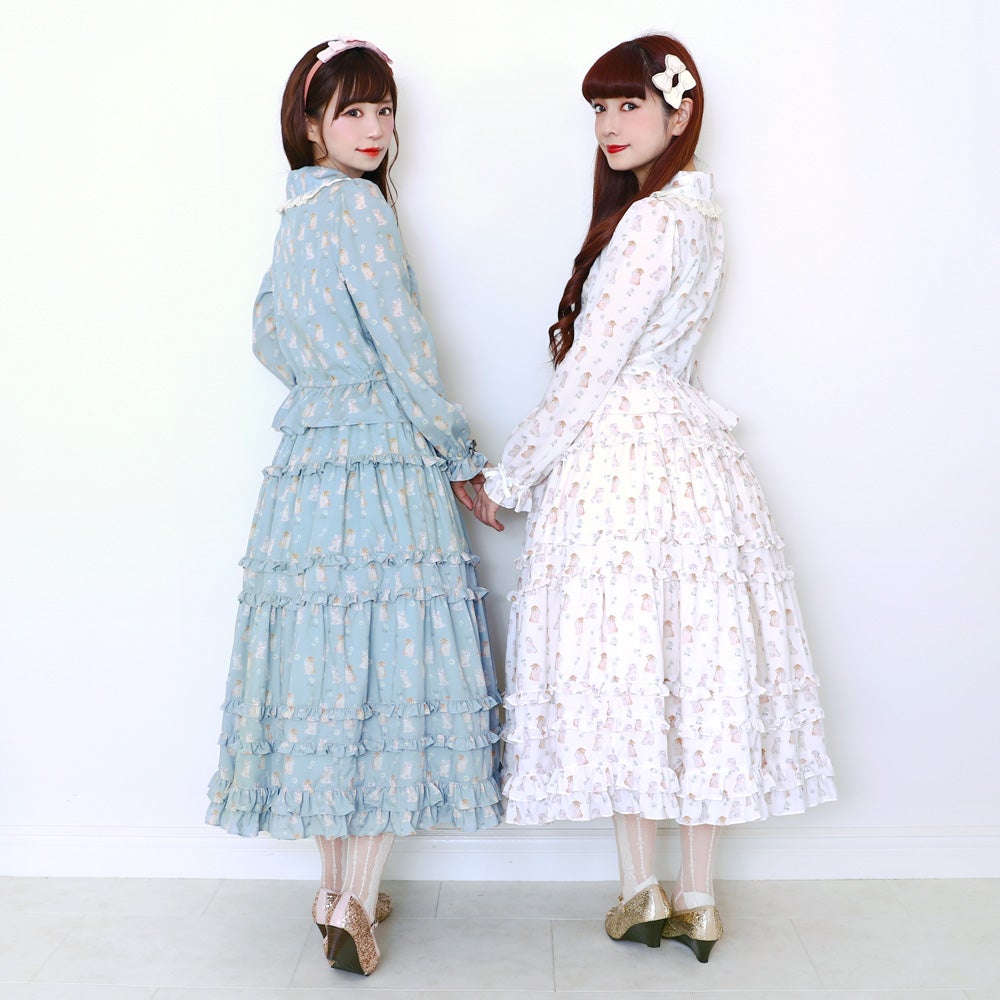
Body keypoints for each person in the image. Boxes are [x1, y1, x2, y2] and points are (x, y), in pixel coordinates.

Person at [474, 34, 836, 963]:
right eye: (599, 108)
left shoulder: (649, 223)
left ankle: (640, 891)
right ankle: (698, 899)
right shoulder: (700, 216)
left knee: (630, 660)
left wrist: (512, 475)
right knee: (693, 662)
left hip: (625, 459)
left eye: (628, 104)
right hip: (688, 453)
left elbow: (593, 367)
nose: (609, 124)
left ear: (680, 114)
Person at [206, 38, 503, 977]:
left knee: (325, 673)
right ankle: (357, 900)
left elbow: (266, 330)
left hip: (307, 465)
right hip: (382, 460)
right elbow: (404, 343)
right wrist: (458, 454)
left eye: (383, 110)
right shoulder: (363, 211)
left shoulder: (297, 212)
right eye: (353, 112)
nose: (375, 129)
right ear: (311, 124)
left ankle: (332, 891)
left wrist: (322, 378)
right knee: (389, 670)